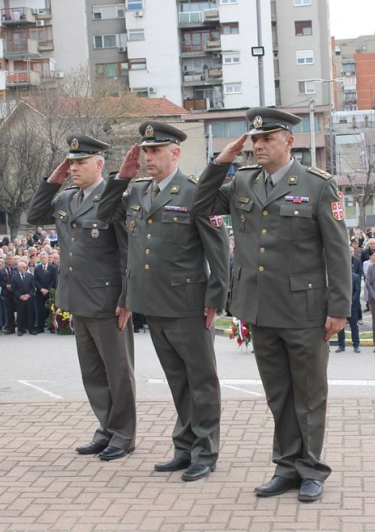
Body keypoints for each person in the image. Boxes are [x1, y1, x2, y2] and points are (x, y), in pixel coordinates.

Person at [192, 107, 351, 502]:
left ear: (289, 142)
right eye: (255, 140)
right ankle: (286, 465)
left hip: (304, 307)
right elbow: (202, 205)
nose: (259, 146)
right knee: (278, 393)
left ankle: (311, 469)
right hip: (259, 306)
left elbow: (338, 251)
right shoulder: (244, 181)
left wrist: (339, 307)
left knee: (309, 393)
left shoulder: (317, 185)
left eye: (267, 139)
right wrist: (222, 160)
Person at [98, 121, 229, 481]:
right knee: (178, 381)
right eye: (145, 151)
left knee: (201, 381)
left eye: (155, 151)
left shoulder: (195, 192)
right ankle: (184, 448)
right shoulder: (138, 192)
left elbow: (218, 249)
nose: (148, 157)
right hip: (153, 302)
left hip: (189, 302)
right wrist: (121, 178)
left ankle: (205, 451)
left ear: (175, 153)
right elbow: (105, 213)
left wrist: (216, 296)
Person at [28, 133, 136, 462]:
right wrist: (53, 179)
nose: (74, 168)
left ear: (99, 164)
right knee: (92, 371)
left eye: (80, 163)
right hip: (76, 297)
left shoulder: (114, 197)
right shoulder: (65, 200)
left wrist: (127, 297)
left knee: (118, 371)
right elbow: (34, 217)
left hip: (107, 299)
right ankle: (105, 428)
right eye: (71, 163)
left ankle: (123, 434)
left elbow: (126, 252)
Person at [335, 270, 361, 353]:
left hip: (352, 306)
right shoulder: (338, 277)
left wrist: (350, 301)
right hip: (341, 305)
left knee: (354, 326)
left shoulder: (356, 277)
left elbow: (357, 291)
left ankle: (356, 345)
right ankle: (341, 345)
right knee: (340, 326)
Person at [32, 251, 58, 333]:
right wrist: (41, 289)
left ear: (48, 259)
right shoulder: (37, 268)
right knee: (40, 310)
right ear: (40, 259)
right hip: (40, 292)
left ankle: (51, 326)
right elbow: (35, 280)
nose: (43, 259)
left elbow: (54, 280)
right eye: (42, 258)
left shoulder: (53, 268)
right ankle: (40, 327)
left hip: (49, 292)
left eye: (45, 258)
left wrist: (48, 289)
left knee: (50, 309)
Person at [11, 259, 36, 336]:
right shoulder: (14, 277)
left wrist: (29, 295)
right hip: (20, 299)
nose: (25, 268)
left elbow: (33, 288)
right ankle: (20, 329)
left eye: (26, 267)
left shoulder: (30, 276)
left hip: (29, 298)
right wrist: (20, 296)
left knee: (30, 314)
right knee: (20, 314)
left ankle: (31, 328)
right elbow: (13, 289)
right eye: (23, 267)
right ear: (19, 268)